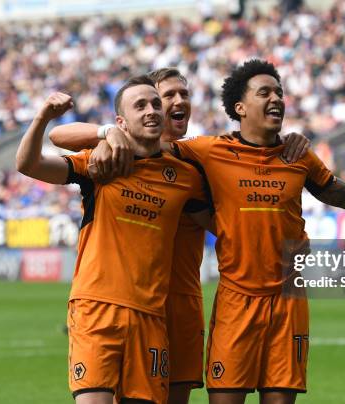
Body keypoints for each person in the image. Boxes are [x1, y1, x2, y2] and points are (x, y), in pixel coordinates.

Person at [168, 59, 345, 404]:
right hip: (236, 302)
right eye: (264, 92)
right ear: (239, 107)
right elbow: (153, 145)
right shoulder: (208, 152)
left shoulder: (299, 157)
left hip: (289, 302)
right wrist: (108, 138)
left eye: (279, 92)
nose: (276, 98)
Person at [49, 67, 310, 404]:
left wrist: (288, 141)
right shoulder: (122, 153)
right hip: (131, 301)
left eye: (183, 94)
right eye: (167, 95)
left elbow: (239, 200)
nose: (176, 101)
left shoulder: (197, 162)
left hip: (182, 303)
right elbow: (58, 137)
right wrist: (107, 134)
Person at [15, 75, 210, 404]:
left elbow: (223, 225)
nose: (151, 110)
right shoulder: (101, 163)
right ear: (120, 121)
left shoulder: (186, 176)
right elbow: (29, 164)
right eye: (141, 105)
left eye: (155, 104)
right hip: (96, 308)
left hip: (151, 316)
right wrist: (43, 116)